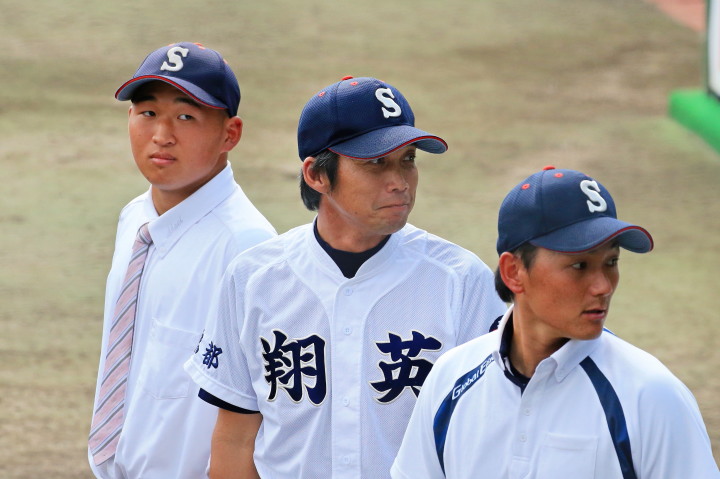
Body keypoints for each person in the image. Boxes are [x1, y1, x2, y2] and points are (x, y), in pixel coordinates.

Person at [184, 76, 507, 478]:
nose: (400, 182)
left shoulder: (461, 281)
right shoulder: (253, 279)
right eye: (376, 163)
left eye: (408, 159)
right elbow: (235, 439)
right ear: (316, 175)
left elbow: (493, 434)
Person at [392, 166, 720, 478]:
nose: (603, 286)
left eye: (611, 262)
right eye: (579, 265)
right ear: (513, 272)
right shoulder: (451, 378)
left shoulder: (653, 396)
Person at [87, 42, 277, 479]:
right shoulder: (135, 217)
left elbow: (262, 409)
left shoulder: (247, 248)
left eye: (186, 117)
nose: (162, 134)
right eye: (148, 112)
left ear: (230, 134)